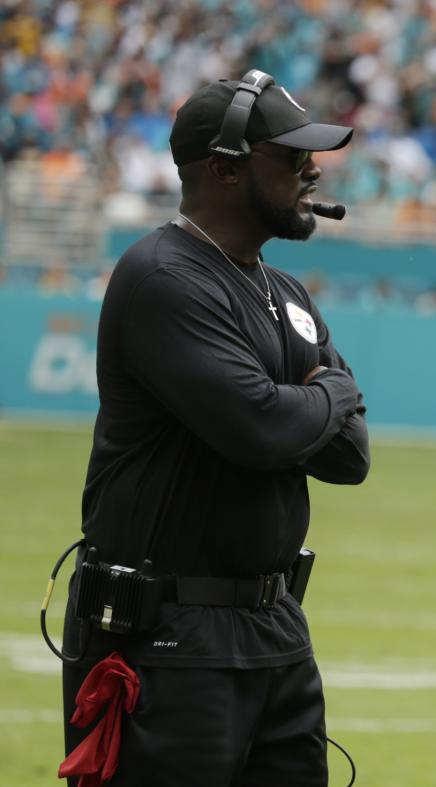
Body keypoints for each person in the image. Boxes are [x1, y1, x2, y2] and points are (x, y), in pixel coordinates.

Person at [58, 70, 369, 787]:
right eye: (292, 156)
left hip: (275, 624)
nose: (312, 169)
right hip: (166, 632)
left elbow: (350, 456)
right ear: (226, 169)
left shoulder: (283, 290)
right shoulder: (163, 277)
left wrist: (310, 405)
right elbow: (261, 428)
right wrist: (329, 392)